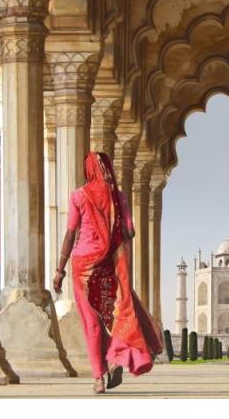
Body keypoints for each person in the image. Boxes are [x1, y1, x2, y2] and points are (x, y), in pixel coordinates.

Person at [53, 151, 162, 393]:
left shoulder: (79, 196)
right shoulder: (119, 198)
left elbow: (70, 234)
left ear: (88, 171)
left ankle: (98, 378)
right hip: (109, 267)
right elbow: (129, 232)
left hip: (84, 268)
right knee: (114, 316)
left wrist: (59, 270)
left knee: (92, 322)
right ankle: (114, 358)